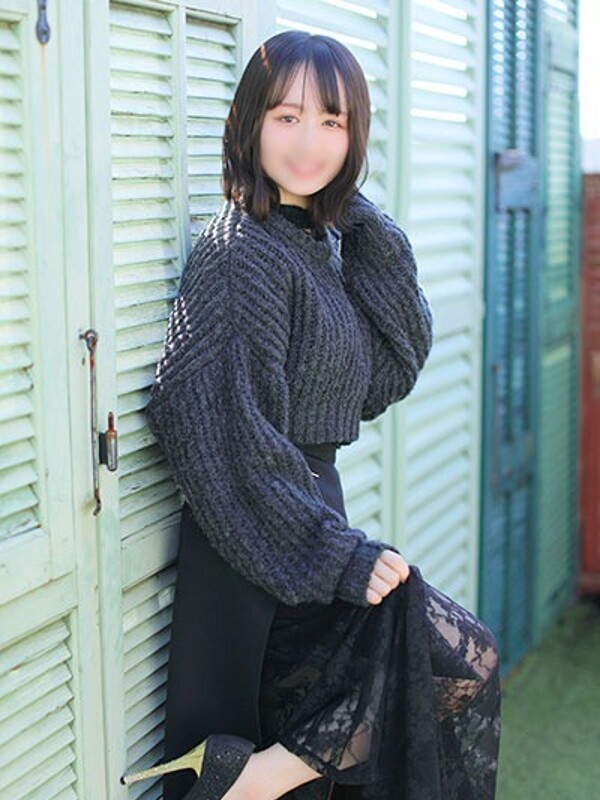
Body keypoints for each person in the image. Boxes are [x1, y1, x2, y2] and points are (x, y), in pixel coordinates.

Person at [120, 29, 501, 800]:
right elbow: (208, 427)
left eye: (332, 121)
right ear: (250, 122)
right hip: (259, 536)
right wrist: (335, 555)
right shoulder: (241, 253)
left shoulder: (310, 242)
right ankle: (253, 779)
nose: (309, 142)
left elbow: (387, 370)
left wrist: (362, 225)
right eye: (287, 117)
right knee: (462, 663)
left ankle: (251, 777)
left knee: (447, 674)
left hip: (308, 517)